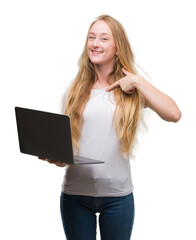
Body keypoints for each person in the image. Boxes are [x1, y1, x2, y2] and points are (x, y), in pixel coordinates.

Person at [40, 15, 181, 240]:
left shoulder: (132, 91)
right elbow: (70, 143)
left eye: (104, 38)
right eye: (91, 37)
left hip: (118, 198)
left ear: (117, 48)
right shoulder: (75, 91)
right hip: (75, 195)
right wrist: (57, 158)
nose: (95, 44)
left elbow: (174, 114)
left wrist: (137, 81)